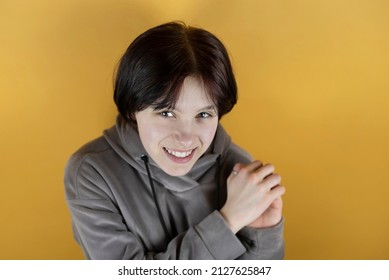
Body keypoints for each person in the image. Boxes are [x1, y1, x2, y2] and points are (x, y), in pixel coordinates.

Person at [64, 21, 286, 260]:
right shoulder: (93, 172)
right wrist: (228, 220)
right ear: (132, 110)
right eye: (166, 113)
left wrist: (264, 232)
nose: (186, 138)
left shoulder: (239, 169)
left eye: (203, 114)